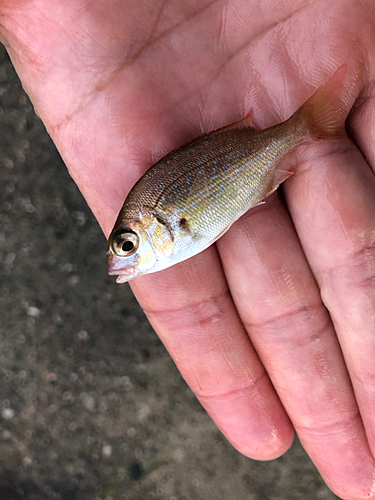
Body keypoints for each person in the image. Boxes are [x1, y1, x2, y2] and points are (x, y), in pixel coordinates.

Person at [1, 1, 375, 497]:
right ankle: (302, 128)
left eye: (128, 243)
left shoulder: (168, 221)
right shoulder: (163, 226)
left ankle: (306, 127)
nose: (122, 258)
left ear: (152, 226)